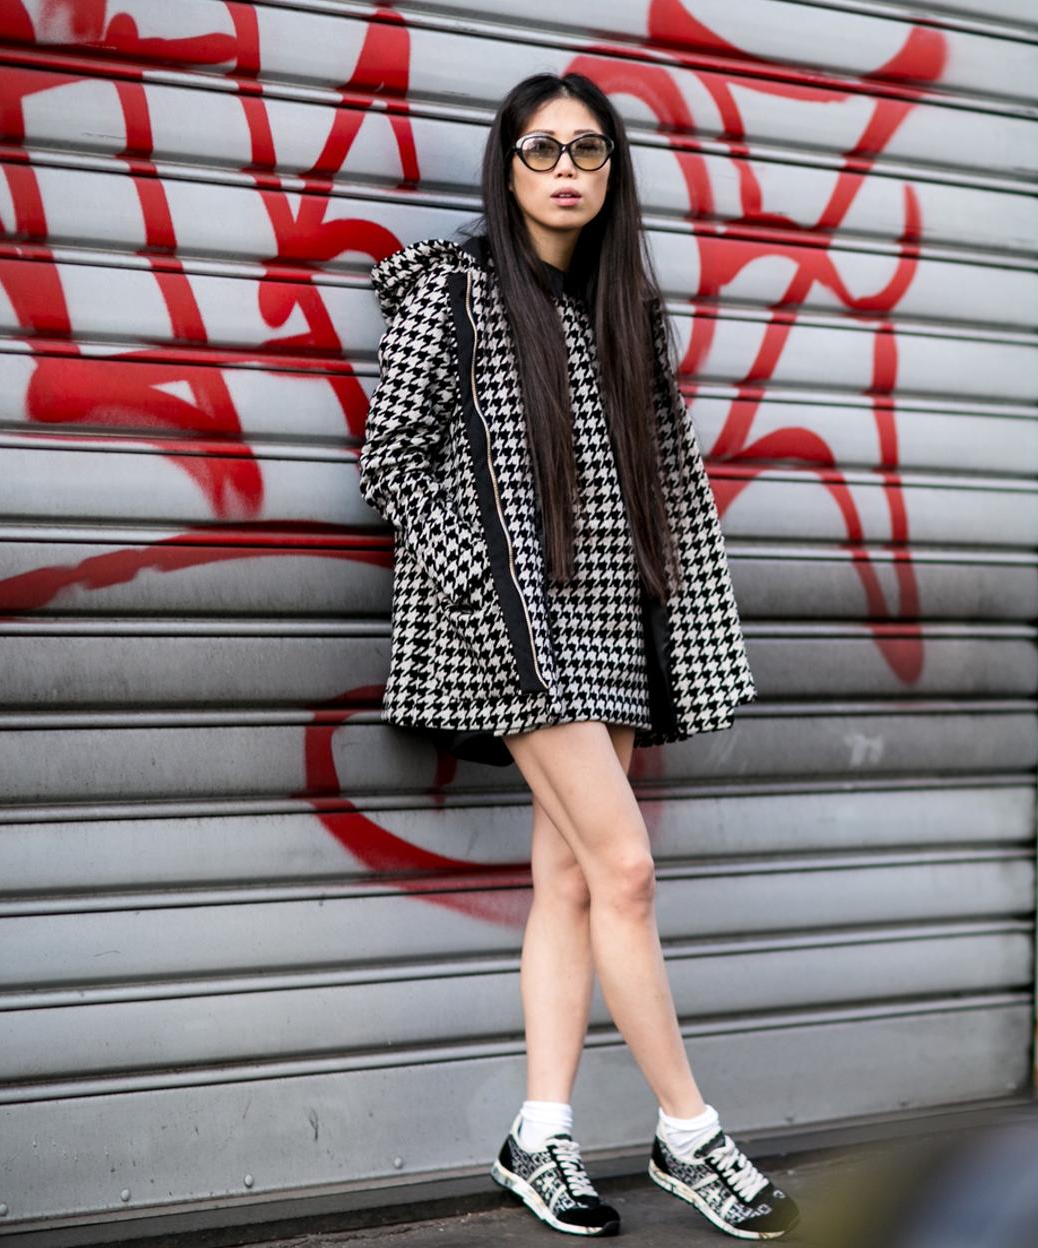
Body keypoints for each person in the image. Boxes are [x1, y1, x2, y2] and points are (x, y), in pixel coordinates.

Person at [358, 71, 799, 1241]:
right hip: (511, 633)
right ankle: (689, 1134)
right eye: (542, 147)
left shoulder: (623, 308)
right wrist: (480, 594)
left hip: (605, 626)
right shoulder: (451, 291)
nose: (565, 168)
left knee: (568, 881)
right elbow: (392, 461)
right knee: (631, 874)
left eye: (588, 151)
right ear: (507, 166)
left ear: (613, 175)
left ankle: (537, 1135)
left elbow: (649, 479)